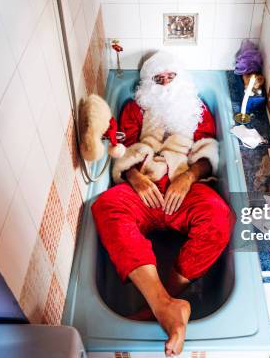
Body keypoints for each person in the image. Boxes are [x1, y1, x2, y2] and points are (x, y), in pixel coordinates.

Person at [91, 51, 233, 357]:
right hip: (146, 189)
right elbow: (122, 147)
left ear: (182, 79)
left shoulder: (197, 108)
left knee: (219, 217)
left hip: (184, 186)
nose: (166, 83)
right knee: (106, 206)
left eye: (171, 77)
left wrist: (190, 176)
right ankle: (165, 305)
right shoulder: (135, 108)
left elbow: (209, 148)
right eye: (159, 78)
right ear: (148, 83)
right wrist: (133, 176)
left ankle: (164, 298)